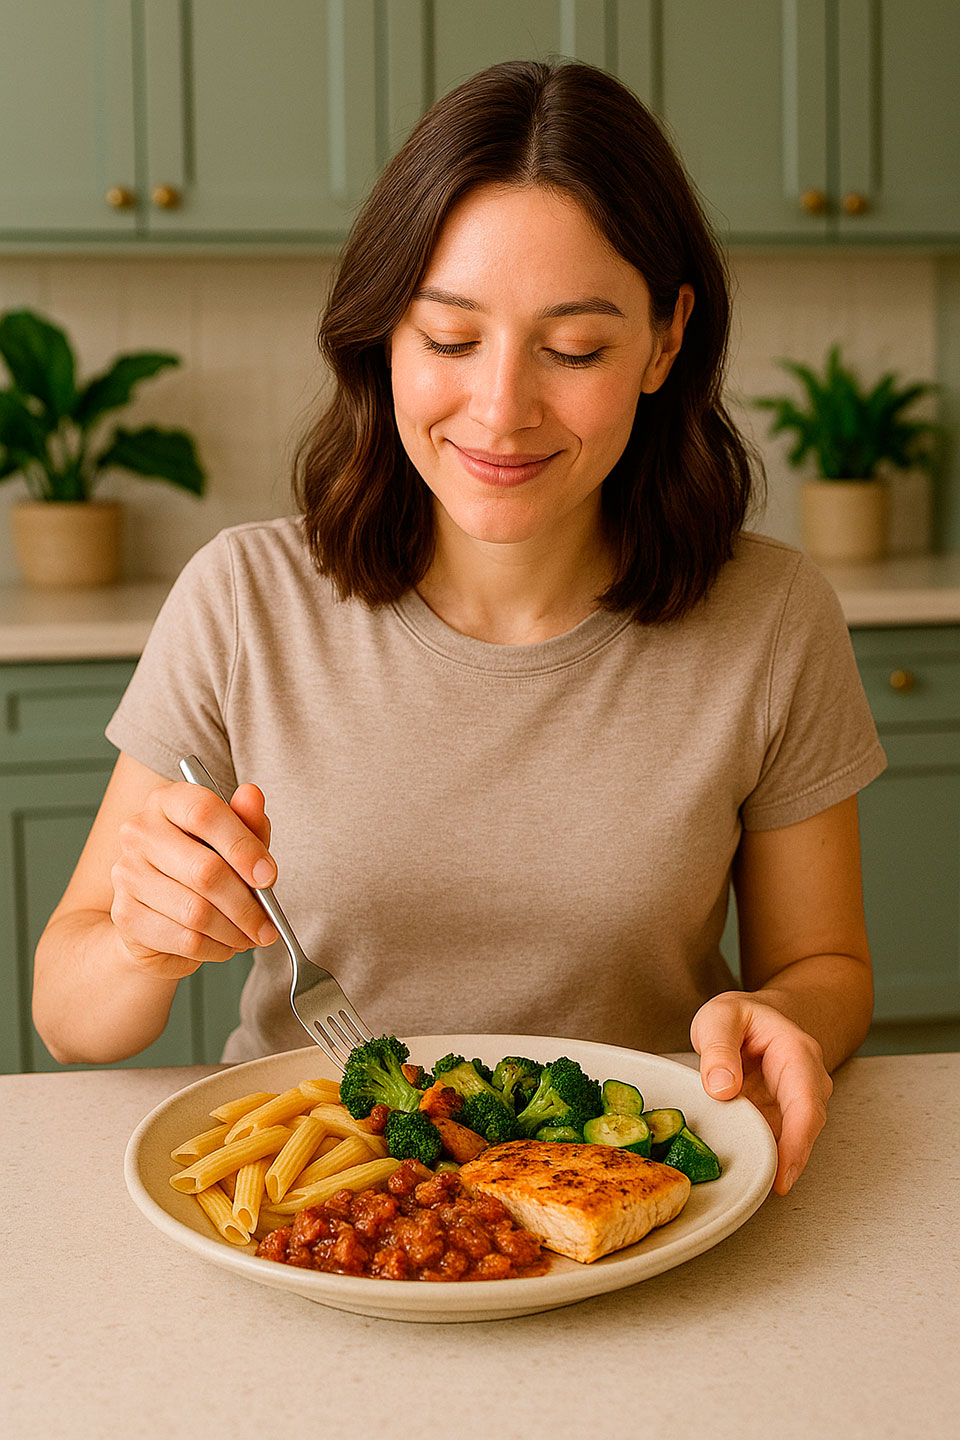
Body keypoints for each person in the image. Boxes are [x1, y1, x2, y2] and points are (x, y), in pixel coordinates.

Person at [33, 60, 884, 1196]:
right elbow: (68, 1016)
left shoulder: (772, 618)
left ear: (667, 340)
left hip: (624, 1203)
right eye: (447, 338)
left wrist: (782, 1017)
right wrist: (143, 940)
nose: (499, 409)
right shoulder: (243, 598)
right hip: (308, 1209)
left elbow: (825, 965)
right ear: (383, 336)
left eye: (573, 348)